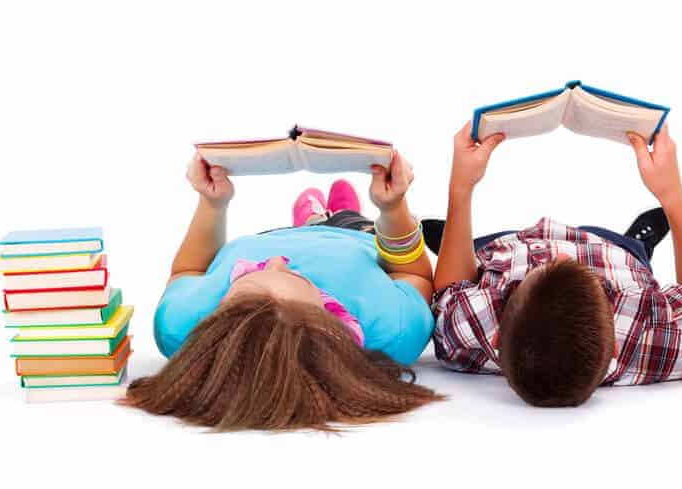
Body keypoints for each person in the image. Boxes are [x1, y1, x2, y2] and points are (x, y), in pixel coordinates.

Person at [121, 151, 442, 431]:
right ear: (334, 318)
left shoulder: (181, 327)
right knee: (352, 217)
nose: (276, 261)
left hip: (262, 238)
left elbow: (189, 270)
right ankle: (337, 214)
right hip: (356, 239)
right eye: (297, 277)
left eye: (248, 276)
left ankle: (312, 217)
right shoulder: (393, 331)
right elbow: (410, 271)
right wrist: (393, 208)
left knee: (313, 219)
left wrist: (212, 203)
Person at [426, 122, 682, 407]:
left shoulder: (469, 328)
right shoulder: (651, 332)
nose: (561, 255)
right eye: (592, 280)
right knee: (635, 249)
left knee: (471, 257)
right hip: (613, 248)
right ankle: (640, 242)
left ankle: (456, 237)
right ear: (616, 344)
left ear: (495, 338)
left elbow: (451, 291)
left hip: (506, 246)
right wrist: (671, 195)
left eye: (536, 272)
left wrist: (461, 189)